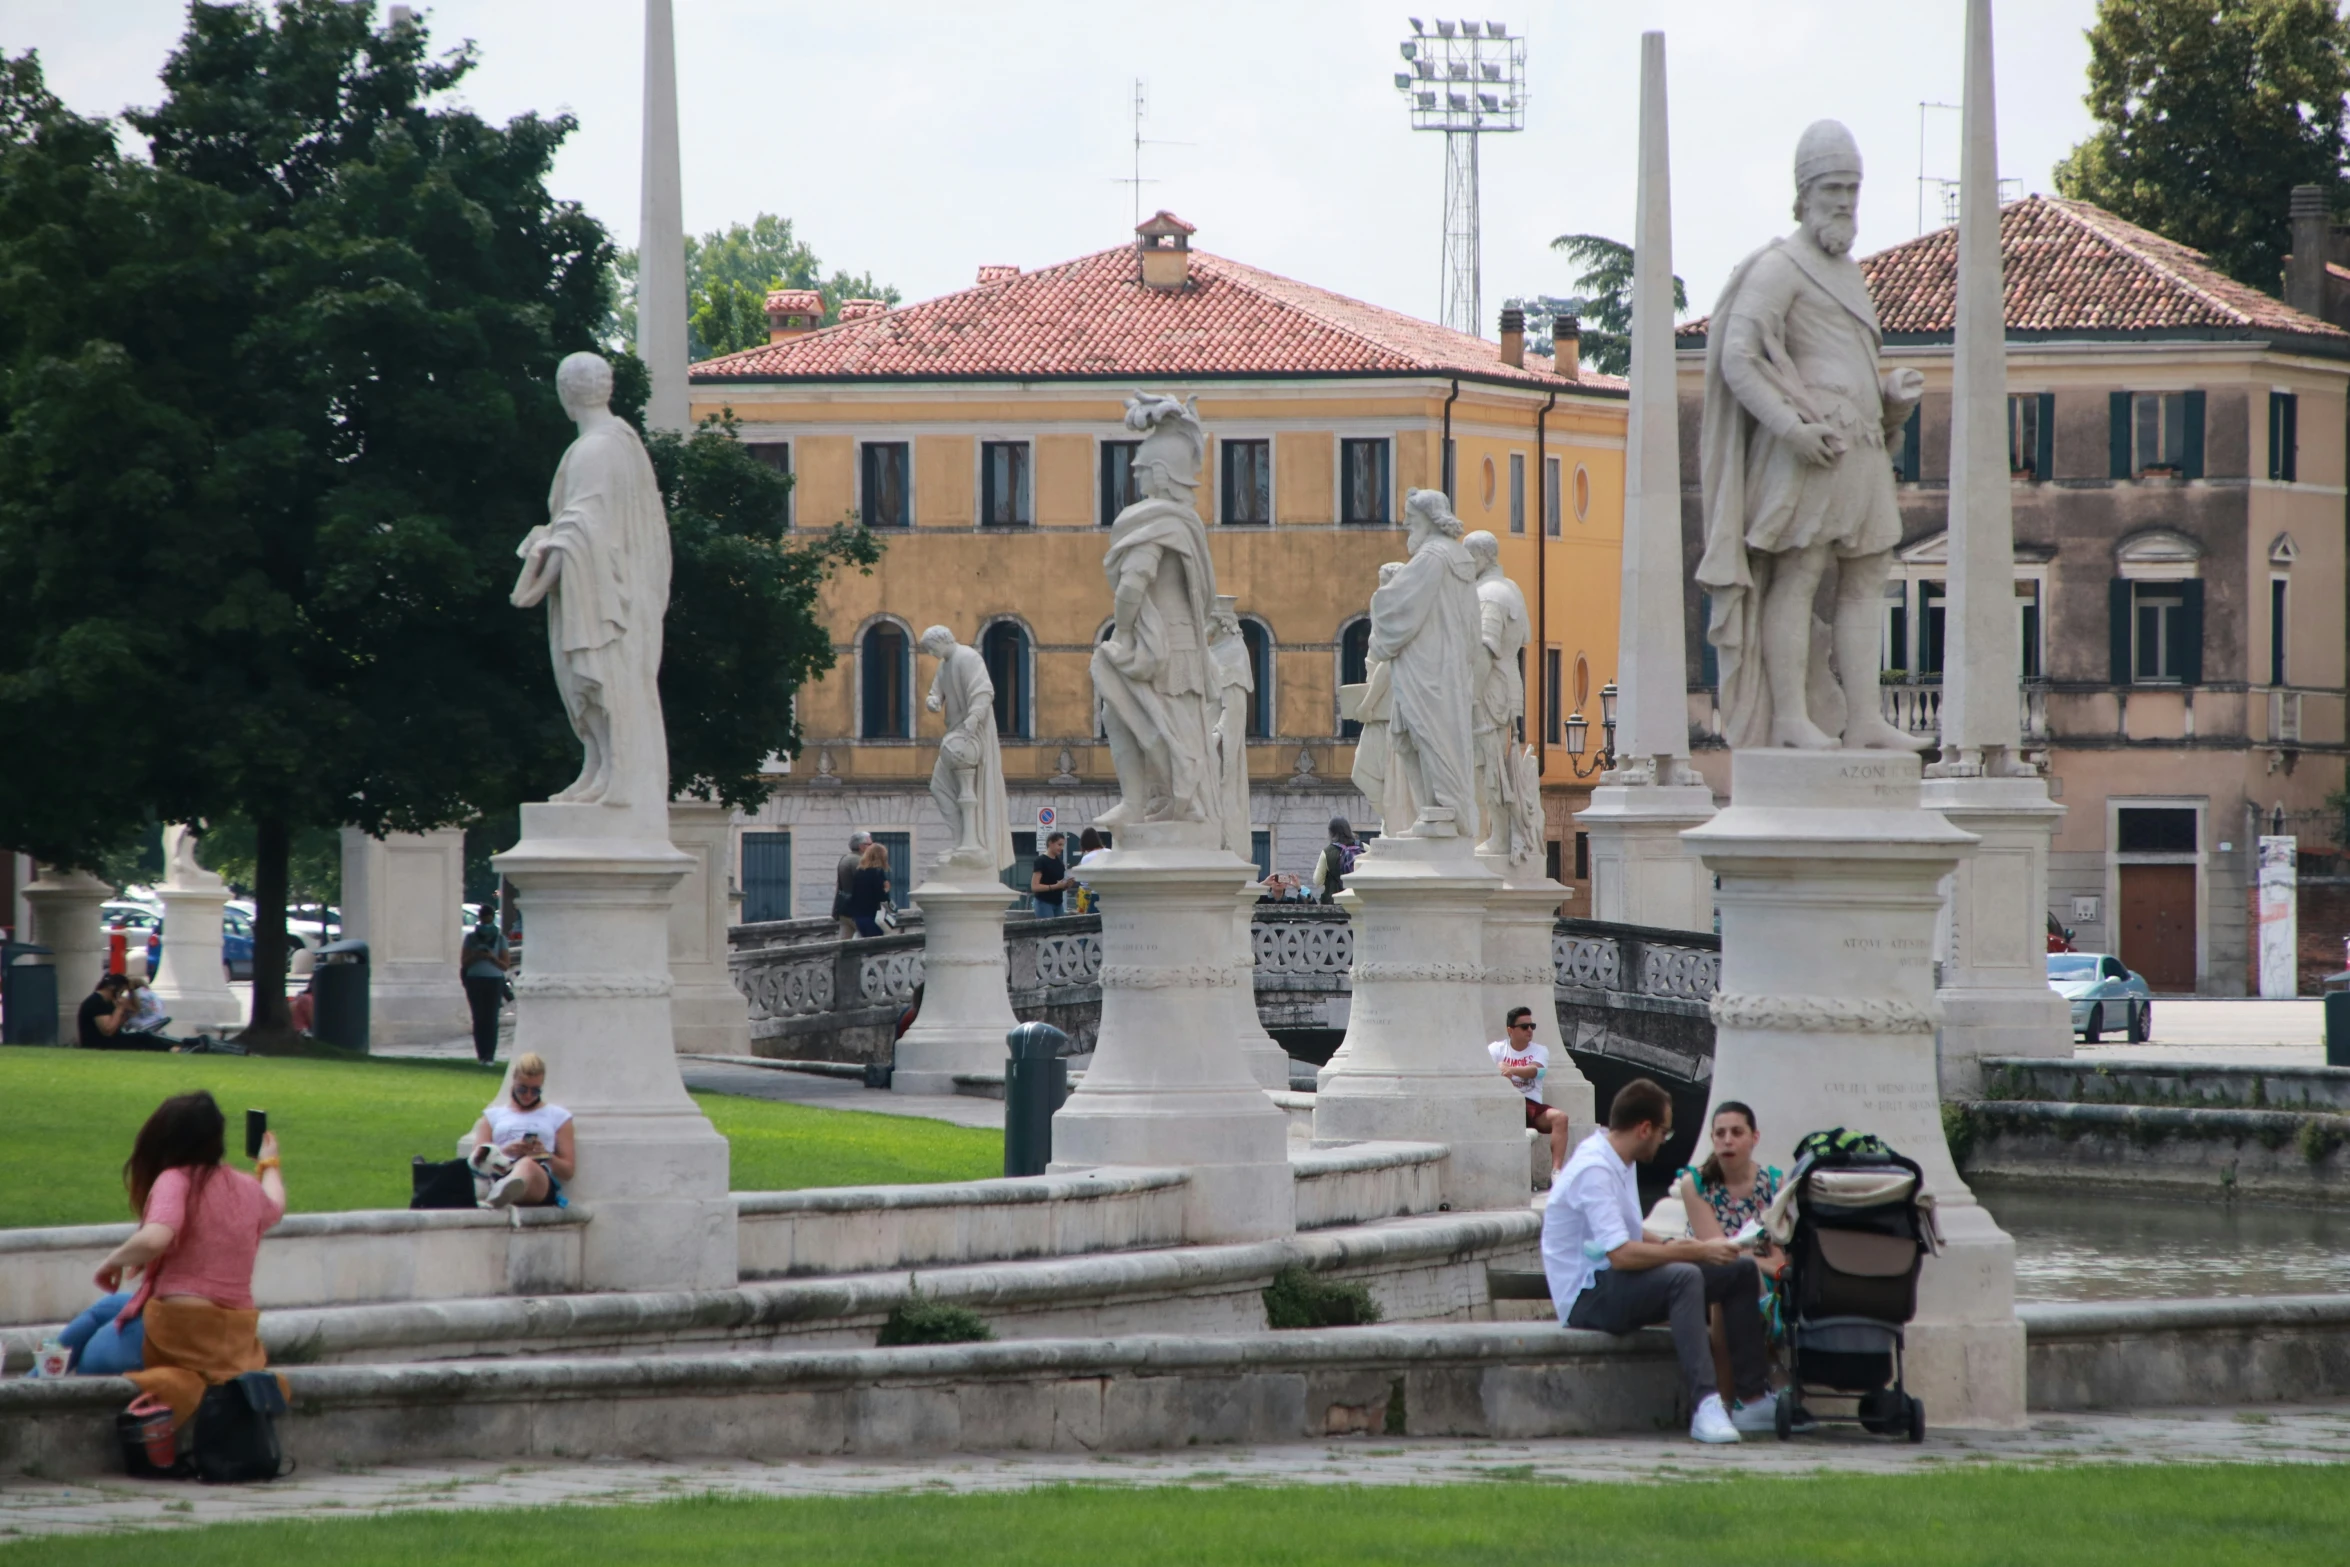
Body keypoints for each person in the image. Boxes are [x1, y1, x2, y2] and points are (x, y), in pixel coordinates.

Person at [1542, 1077, 1774, 1444]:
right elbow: (1620, 1255)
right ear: (1644, 1128)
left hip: (1616, 1282)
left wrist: (1676, 1243)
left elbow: (1631, 1233)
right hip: (1588, 1296)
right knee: (1684, 1277)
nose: (1664, 1141)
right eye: (1664, 1132)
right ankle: (1706, 1405)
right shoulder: (1595, 1169)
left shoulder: (1621, 1159)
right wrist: (1694, 1249)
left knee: (1739, 1270)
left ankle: (1753, 1399)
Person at [87, 1092, 286, 1431]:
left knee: (87, 1357)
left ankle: (30, 1382)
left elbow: (156, 1237)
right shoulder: (244, 1187)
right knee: (105, 1310)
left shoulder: (175, 1180)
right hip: (231, 1338)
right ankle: (37, 1371)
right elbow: (275, 1204)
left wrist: (112, 1261)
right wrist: (269, 1163)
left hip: (180, 1335)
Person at [1677, 1102, 1789, 1396]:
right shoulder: (1696, 1184)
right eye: (1720, 1133)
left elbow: (1779, 1260)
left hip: (1766, 1280)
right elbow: (1719, 1252)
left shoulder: (1774, 1183)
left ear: (1755, 1137)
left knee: (1757, 1280)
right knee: (1735, 1280)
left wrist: (1754, 1262)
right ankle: (1753, 1387)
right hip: (1713, 1276)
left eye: (1737, 1132)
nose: (1727, 1140)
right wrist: (1755, 1261)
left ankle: (1761, 1382)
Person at [465, 1053, 575, 1209]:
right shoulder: (493, 1115)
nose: (528, 1096)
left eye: (535, 1091)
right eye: (522, 1089)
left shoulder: (558, 1116)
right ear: (514, 1081)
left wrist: (544, 1155)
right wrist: (504, 1152)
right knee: (519, 1166)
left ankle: (503, 1192)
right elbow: (476, 1159)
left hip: (537, 1177)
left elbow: (568, 1171)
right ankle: (502, 1190)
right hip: (500, 1171)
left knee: (527, 1163)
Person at [1490, 1005, 1568, 1171]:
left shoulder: (1540, 1050)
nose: (1529, 1030)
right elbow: (1485, 1074)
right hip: (1504, 1103)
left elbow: (1536, 1071)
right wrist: (1500, 1071)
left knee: (1560, 1118)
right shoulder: (1496, 1049)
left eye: (1532, 1026)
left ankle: (1556, 1172)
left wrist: (1510, 1070)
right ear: (1510, 1030)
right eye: (1524, 1027)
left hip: (1531, 1105)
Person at [459, 906, 512, 1066]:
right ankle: (481, 1053)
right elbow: (464, 961)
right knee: (478, 1017)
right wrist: (476, 955)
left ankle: (489, 1055)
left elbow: (505, 965)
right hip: (475, 980)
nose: (486, 923)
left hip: (494, 980)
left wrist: (491, 957)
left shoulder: (499, 938)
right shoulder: (471, 938)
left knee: (491, 1018)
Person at [79, 973, 170, 1052]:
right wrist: (120, 1009)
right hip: (99, 1044)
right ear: (112, 987)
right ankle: (172, 1049)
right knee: (144, 1039)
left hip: (110, 1040)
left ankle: (173, 1047)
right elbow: (108, 1030)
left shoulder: (107, 1002)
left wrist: (127, 1014)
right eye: (121, 991)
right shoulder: (96, 1002)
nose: (120, 995)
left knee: (145, 1036)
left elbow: (115, 1026)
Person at [846, 841, 892, 937]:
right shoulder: (877, 873)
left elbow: (854, 895)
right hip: (873, 917)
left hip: (859, 917)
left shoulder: (859, 872)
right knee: (875, 948)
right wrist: (886, 890)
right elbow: (881, 898)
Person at [1309, 817, 1360, 904]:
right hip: (1359, 902)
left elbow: (1317, 881)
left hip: (1335, 903)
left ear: (1331, 832)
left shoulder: (1327, 852)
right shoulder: (1363, 848)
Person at [833, 831, 872, 938]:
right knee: (872, 939)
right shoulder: (859, 861)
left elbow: (839, 885)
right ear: (861, 846)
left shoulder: (845, 859)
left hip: (844, 909)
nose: (871, 847)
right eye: (869, 844)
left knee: (844, 945)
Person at [1030, 832, 1074, 917]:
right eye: (1059, 844)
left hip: (1058, 903)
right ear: (1050, 843)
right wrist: (1056, 886)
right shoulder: (1041, 861)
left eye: (1063, 845)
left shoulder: (1059, 862)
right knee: (1048, 929)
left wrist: (1067, 885)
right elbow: (1034, 886)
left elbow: (1058, 886)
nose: (1061, 848)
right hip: (1044, 903)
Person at [1071, 827, 1107, 914]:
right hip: (1110, 894)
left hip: (1095, 895)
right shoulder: (1110, 852)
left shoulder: (1087, 858)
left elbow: (1085, 883)